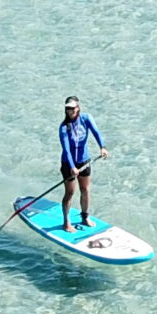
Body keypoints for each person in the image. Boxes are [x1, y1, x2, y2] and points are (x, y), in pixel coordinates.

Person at [56, 97, 106, 230]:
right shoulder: (63, 127)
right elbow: (66, 149)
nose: (70, 111)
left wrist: (102, 147)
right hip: (68, 164)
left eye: (72, 108)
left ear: (78, 108)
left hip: (84, 161)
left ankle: (85, 217)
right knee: (70, 192)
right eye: (67, 108)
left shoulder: (86, 118)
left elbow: (97, 132)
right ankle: (66, 222)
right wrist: (72, 167)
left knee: (85, 190)